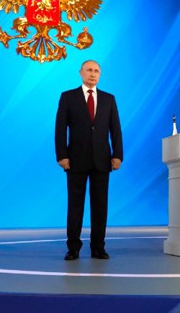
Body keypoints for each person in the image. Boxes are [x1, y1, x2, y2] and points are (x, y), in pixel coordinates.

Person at [55, 60, 123, 260]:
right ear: (81, 73)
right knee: (75, 205)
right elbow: (60, 129)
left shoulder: (109, 99)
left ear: (100, 75)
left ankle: (98, 247)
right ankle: (73, 247)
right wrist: (62, 156)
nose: (93, 74)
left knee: (100, 206)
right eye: (89, 70)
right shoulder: (68, 97)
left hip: (102, 161)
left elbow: (115, 130)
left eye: (96, 71)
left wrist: (117, 155)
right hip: (75, 160)